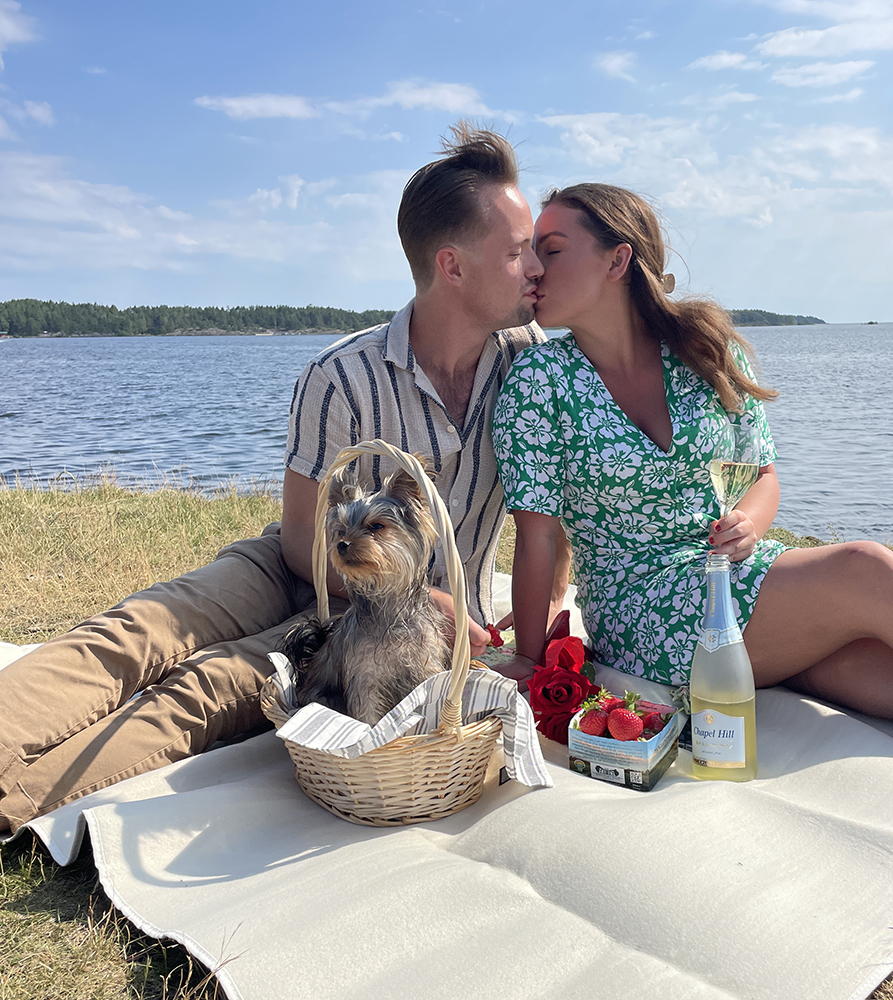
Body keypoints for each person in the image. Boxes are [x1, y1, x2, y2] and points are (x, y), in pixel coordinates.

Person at [0, 124, 567, 833]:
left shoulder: (530, 366)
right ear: (452, 266)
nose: (535, 268)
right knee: (138, 631)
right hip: (302, 558)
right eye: (517, 253)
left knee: (210, 689)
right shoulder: (342, 375)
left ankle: (11, 801)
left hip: (401, 623)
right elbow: (304, 539)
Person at [492, 182, 893, 772]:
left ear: (618, 260)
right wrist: (535, 663)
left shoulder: (705, 351)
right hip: (643, 608)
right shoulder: (541, 381)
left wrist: (749, 521)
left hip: (737, 571)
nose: (534, 267)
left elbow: (762, 475)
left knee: (892, 677)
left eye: (554, 249)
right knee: (864, 569)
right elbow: (537, 535)